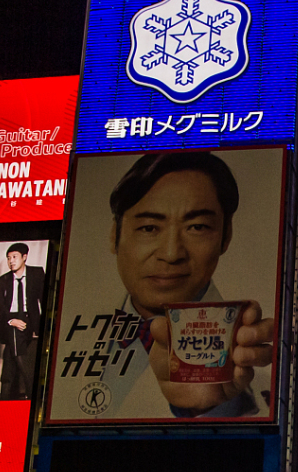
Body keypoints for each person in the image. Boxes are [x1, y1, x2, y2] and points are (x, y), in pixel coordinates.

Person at [86, 150, 277, 419]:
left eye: (197, 227)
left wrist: (208, 409)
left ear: (226, 236)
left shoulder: (258, 363)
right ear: (114, 235)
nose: (172, 253)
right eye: (149, 228)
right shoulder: (74, 332)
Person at [0, 243, 46, 401]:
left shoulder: (37, 273)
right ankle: (32, 392)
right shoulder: (2, 280)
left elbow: (45, 298)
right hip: (9, 321)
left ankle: (6, 394)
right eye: (8, 258)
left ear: (24, 257)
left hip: (30, 319)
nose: (11, 261)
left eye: (14, 257)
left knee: (10, 355)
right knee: (15, 333)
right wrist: (12, 320)